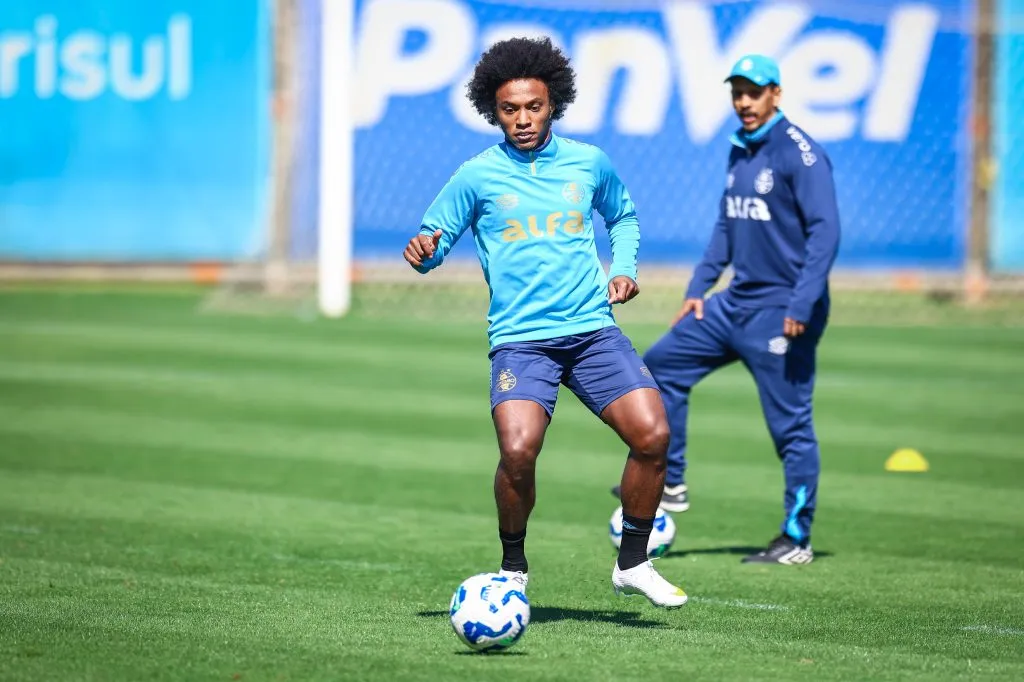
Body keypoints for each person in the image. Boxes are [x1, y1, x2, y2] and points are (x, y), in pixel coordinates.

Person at [402, 37, 686, 606]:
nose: (524, 119)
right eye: (510, 109)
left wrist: (624, 269)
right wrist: (425, 250)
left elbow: (623, 216)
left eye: (534, 106)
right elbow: (434, 240)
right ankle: (512, 570)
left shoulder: (588, 163)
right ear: (494, 111)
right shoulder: (475, 176)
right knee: (518, 450)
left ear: (553, 102)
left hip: (591, 332)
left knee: (653, 435)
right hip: (521, 342)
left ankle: (633, 561)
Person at [611, 54, 841, 565]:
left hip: (782, 311)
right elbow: (725, 225)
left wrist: (802, 303)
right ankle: (670, 481)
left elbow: (826, 232)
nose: (743, 102)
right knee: (660, 366)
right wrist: (699, 286)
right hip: (733, 302)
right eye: (737, 92)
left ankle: (796, 537)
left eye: (753, 92)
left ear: (775, 94)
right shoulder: (741, 149)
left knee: (790, 427)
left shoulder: (800, 155)